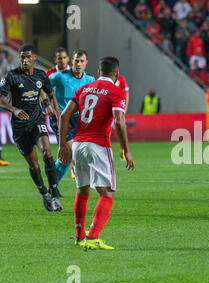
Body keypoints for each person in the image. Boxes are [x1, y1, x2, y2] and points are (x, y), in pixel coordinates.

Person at [58, 56, 135, 250]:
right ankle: (92, 238)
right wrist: (126, 150)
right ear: (116, 74)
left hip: (78, 145)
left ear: (98, 72)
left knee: (83, 191)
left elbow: (64, 115)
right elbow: (119, 121)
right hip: (98, 145)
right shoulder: (116, 91)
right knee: (107, 192)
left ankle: (79, 235)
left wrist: (62, 145)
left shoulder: (84, 89)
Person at [0, 44, 62, 211]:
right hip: (20, 127)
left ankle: (55, 194)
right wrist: (14, 109)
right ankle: (44, 195)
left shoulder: (41, 75)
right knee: (34, 165)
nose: (25, 60)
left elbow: (48, 93)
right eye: (22, 57)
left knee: (47, 153)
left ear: (34, 57)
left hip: (37, 121)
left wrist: (51, 108)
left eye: (28, 57)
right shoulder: (12, 76)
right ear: (19, 58)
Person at [49, 49, 96, 184]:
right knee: (70, 150)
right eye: (76, 61)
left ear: (86, 63)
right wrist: (46, 103)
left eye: (82, 61)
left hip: (78, 119)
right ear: (72, 61)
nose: (79, 64)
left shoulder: (90, 79)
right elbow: (42, 85)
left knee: (66, 157)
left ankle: (52, 184)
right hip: (62, 118)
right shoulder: (59, 76)